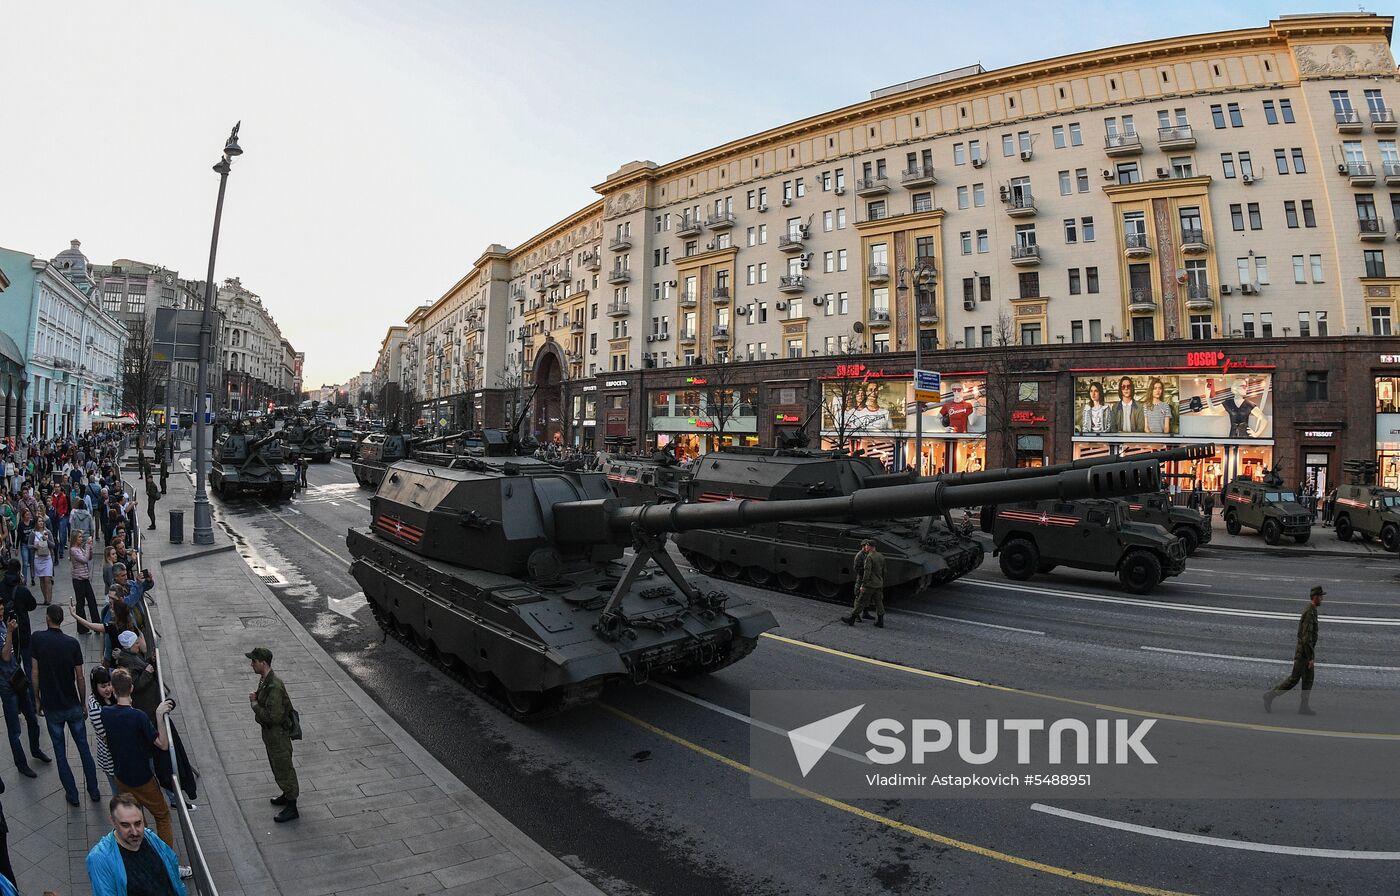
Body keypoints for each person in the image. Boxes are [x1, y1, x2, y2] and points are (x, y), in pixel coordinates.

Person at [30, 605, 101, 805]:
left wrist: (36, 698)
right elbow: (80, 676)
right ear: (61, 620)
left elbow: (34, 673)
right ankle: (94, 790)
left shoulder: (37, 639)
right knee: (84, 748)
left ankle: (72, 794)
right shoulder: (71, 644)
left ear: (47, 618)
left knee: (60, 753)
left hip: (52, 706)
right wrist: (83, 702)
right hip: (72, 704)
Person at [85, 792, 189, 896]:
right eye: (125, 825)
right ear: (113, 822)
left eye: (138, 823)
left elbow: (172, 871)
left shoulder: (150, 837)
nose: (134, 832)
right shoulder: (100, 858)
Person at [248, 646, 299, 822]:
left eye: (253, 661)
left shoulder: (274, 685)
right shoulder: (265, 679)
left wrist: (255, 704)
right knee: (277, 766)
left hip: (277, 734)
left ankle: (292, 807)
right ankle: (286, 794)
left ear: (263, 663)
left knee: (284, 767)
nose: (251, 664)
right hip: (271, 735)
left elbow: (274, 717)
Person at [1264, 586, 1323, 715]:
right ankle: (1270, 696)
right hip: (1303, 654)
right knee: (1294, 679)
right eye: (1321, 597)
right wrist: (1311, 657)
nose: (1322, 599)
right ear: (1315, 597)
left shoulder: (1313, 610)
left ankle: (1304, 706)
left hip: (1306, 652)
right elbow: (1306, 638)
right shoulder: (1309, 612)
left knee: (1308, 679)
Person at [0, 615, 43, 777]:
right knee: (15, 731)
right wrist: (10, 632)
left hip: (17, 678)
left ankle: (36, 749)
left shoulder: (3, 625)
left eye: (2, 610)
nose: (1, 614)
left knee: (32, 719)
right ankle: (21, 764)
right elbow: (5, 656)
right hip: (6, 686)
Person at [87, 665, 118, 795]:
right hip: (110, 756)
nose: (108, 689)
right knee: (118, 793)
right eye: (103, 686)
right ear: (95, 687)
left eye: (109, 684)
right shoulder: (95, 708)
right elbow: (107, 736)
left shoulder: (112, 697)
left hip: (118, 753)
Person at [841, 540, 886, 628]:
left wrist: (863, 585)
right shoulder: (881, 556)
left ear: (869, 546)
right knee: (879, 602)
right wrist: (881, 581)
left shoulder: (869, 557)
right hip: (878, 583)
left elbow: (867, 573)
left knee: (860, 600)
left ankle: (852, 619)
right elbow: (884, 571)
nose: (866, 547)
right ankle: (880, 621)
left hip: (869, 584)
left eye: (867, 546)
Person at [70, 530, 99, 634]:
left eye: (82, 537)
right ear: (74, 539)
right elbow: (84, 559)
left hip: (85, 578)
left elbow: (89, 557)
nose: (81, 539)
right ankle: (82, 628)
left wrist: (90, 547)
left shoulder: (80, 548)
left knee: (92, 601)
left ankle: (97, 625)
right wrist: (87, 546)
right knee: (80, 604)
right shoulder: (73, 550)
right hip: (78, 579)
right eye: (79, 537)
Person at [30, 516, 54, 606]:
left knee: (48, 578)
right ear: (36, 523)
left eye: (42, 521)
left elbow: (53, 545)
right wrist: (34, 546)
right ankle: (45, 598)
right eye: (39, 521)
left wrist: (47, 540)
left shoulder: (47, 532)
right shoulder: (33, 533)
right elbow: (29, 545)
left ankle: (49, 599)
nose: (41, 523)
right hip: (38, 558)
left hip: (47, 558)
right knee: (42, 579)